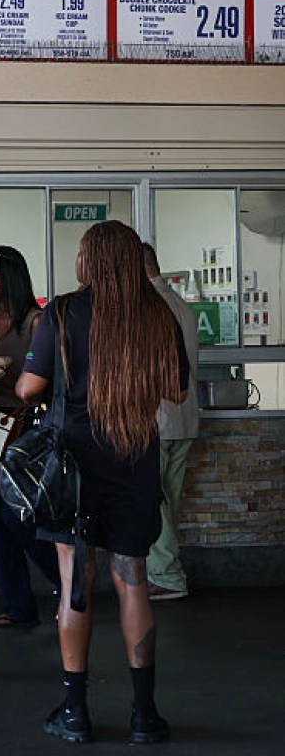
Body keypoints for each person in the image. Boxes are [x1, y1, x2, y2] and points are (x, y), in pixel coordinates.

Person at [17, 221, 189, 745]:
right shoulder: (156, 313)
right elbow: (177, 392)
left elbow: (29, 386)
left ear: (90, 260)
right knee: (132, 580)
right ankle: (144, 715)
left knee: (75, 584)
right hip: (134, 461)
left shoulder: (64, 311)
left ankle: (75, 713)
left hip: (74, 465)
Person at [0, 246, 60, 627]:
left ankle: (68, 582)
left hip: (22, 426)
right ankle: (18, 607)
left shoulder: (36, 321)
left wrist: (4, 377)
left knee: (18, 517)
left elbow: (49, 382)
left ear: (13, 278)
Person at [142, 242, 200, 602]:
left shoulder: (147, 309)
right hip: (186, 419)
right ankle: (162, 570)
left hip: (157, 418)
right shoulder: (183, 306)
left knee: (153, 501)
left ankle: (166, 576)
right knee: (169, 501)